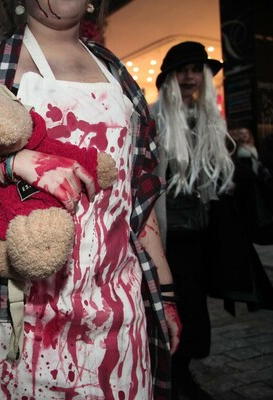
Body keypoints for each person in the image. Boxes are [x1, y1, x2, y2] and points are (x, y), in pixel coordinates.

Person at [0, 1, 181, 398]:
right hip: (6, 323)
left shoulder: (118, 73)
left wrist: (167, 291)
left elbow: (135, 199)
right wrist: (12, 164)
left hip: (117, 324)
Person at [152, 41, 236, 400]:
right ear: (170, 78)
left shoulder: (209, 121)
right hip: (171, 238)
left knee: (195, 308)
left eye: (196, 69)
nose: (190, 77)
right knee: (174, 306)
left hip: (201, 233)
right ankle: (173, 375)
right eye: (183, 70)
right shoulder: (154, 119)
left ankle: (182, 370)